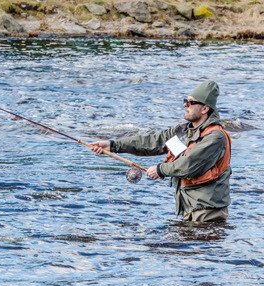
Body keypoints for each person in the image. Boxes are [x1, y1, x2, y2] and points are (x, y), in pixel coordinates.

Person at [90, 80, 232, 222]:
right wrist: (113, 145)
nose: (184, 105)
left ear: (204, 109)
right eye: (185, 101)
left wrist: (160, 169)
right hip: (191, 210)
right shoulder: (184, 131)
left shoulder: (215, 137)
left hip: (208, 213)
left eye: (190, 103)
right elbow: (152, 142)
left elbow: (188, 165)